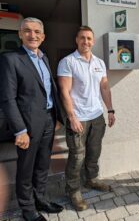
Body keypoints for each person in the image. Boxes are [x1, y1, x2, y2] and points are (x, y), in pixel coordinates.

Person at [0, 17, 64, 221]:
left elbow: (49, 91)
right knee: (26, 169)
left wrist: (56, 117)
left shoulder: (43, 58)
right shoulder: (10, 59)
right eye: (27, 31)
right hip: (27, 125)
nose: (32, 35)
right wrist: (20, 130)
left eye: (37, 32)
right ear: (20, 34)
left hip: (47, 120)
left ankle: (40, 200)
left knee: (43, 164)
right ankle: (28, 210)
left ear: (43, 37)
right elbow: (7, 99)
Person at [57, 26, 116, 211]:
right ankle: (73, 190)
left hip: (97, 116)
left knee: (94, 152)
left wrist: (111, 110)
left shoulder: (99, 62)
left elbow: (104, 88)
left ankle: (91, 180)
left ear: (93, 41)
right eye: (82, 38)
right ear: (76, 40)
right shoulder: (67, 62)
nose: (86, 41)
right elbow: (64, 92)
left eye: (89, 38)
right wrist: (72, 117)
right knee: (76, 156)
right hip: (79, 118)